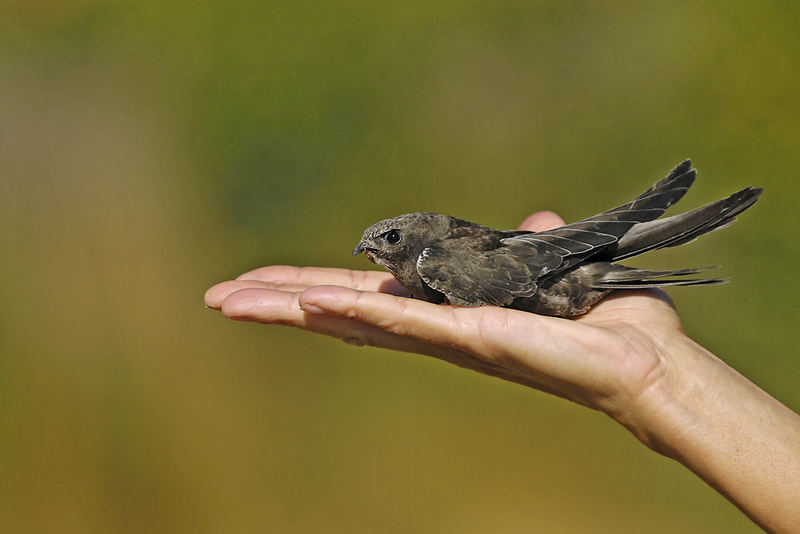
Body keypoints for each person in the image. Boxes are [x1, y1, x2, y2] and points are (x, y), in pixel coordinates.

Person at [205, 211, 800, 532]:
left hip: (562, 284)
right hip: (555, 269)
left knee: (618, 241)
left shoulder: (436, 259)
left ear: (410, 240)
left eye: (385, 240)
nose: (373, 254)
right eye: (369, 246)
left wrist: (658, 376)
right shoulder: (425, 259)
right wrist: (656, 382)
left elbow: (523, 266)